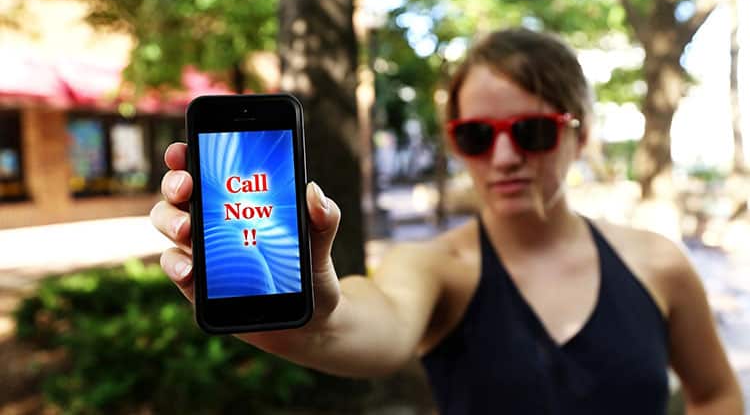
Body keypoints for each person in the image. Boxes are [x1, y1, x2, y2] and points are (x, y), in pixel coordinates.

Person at [150, 28, 743, 414]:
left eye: (532, 132)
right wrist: (304, 313)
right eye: (477, 135)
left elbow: (716, 393)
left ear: (580, 134)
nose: (505, 157)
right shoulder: (433, 268)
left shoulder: (658, 263)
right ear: (456, 144)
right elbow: (361, 327)